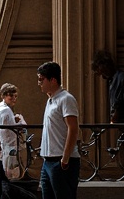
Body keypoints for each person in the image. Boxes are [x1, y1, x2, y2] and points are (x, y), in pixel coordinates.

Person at [37, 61, 80, 198]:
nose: (39, 83)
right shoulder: (50, 100)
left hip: (61, 162)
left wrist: (65, 159)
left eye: (41, 79)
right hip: (48, 161)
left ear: (53, 80)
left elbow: (73, 129)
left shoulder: (66, 99)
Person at [90, 50, 124, 124]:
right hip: (123, 122)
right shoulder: (113, 80)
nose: (98, 73)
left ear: (103, 66)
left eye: (98, 69)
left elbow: (120, 103)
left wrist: (113, 119)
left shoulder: (122, 78)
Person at [0, 82, 28, 179]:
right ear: (3, 96)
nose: (14, 98)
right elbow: (6, 131)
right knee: (11, 172)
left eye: (15, 96)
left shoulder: (2, 107)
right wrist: (20, 120)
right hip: (9, 145)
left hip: (6, 145)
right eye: (10, 96)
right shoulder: (5, 111)